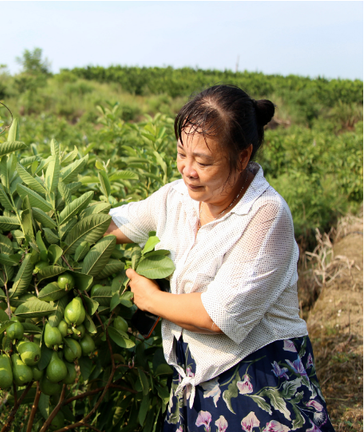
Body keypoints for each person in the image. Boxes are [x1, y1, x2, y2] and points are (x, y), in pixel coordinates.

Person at [106, 85, 334, 431]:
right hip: (194, 386)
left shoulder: (265, 214)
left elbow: (218, 316)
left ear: (242, 157)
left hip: (257, 382)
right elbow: (115, 225)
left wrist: (151, 299)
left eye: (204, 161)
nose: (187, 169)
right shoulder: (177, 198)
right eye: (182, 154)